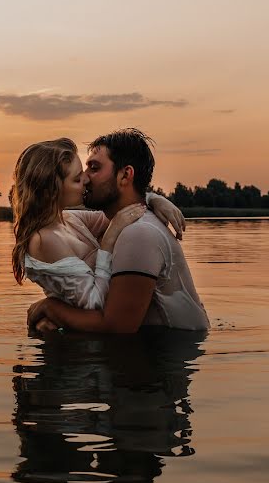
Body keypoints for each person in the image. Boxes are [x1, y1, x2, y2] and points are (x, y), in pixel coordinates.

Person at [25, 129, 210, 334]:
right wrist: (152, 199)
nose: (86, 179)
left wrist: (50, 308)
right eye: (79, 176)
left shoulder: (138, 233)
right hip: (159, 349)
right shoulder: (92, 222)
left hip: (169, 350)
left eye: (94, 168)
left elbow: (117, 326)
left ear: (125, 175)